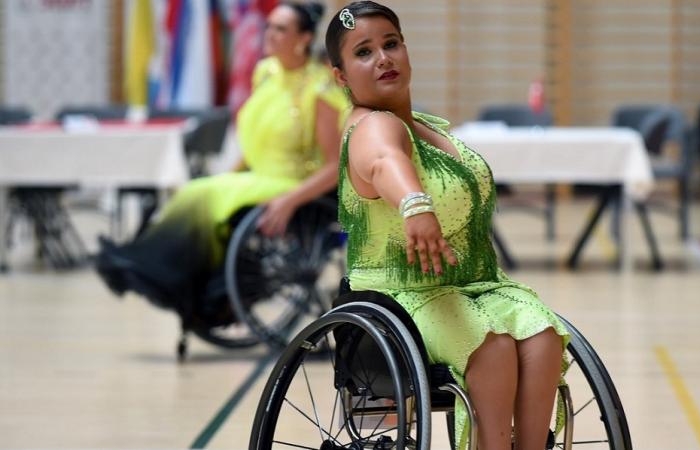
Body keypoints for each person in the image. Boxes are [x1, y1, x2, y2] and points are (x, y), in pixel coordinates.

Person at [325, 2, 570, 449]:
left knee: (543, 335)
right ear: (340, 76)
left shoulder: (426, 128)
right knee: (491, 347)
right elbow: (384, 161)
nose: (383, 58)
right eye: (363, 52)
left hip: (473, 286)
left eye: (391, 44)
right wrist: (415, 205)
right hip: (399, 296)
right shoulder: (369, 126)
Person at [96, 1, 349, 311]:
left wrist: (290, 200)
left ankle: (165, 276)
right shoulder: (267, 73)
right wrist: (231, 174)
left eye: (280, 29)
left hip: (292, 184)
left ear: (304, 39)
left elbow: (334, 165)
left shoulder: (319, 89)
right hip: (258, 176)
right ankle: (151, 267)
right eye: (268, 26)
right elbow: (256, 141)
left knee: (203, 195)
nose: (268, 33)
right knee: (196, 189)